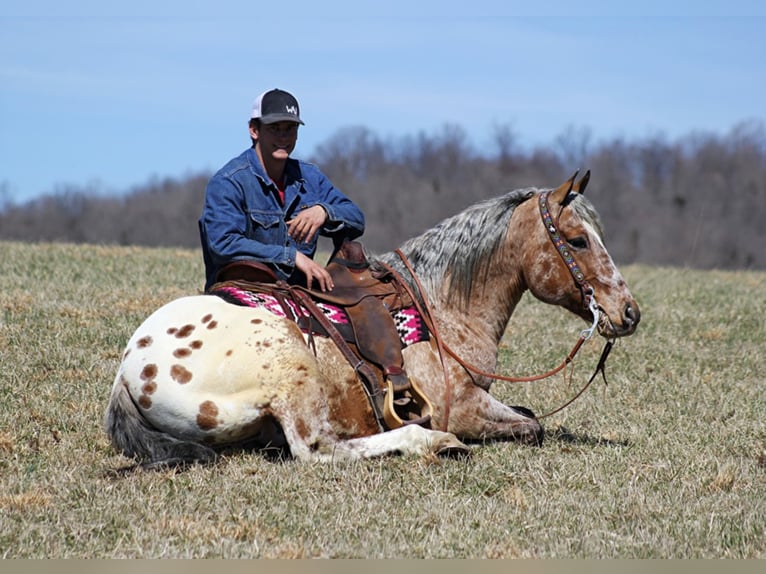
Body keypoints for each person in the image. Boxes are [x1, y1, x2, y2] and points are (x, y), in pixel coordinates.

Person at [199, 88, 365, 292]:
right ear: (254, 130)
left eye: (290, 128)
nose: (284, 136)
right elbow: (223, 244)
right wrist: (291, 256)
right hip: (239, 294)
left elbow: (356, 218)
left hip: (296, 299)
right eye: (275, 128)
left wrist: (323, 211)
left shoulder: (310, 178)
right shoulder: (228, 182)